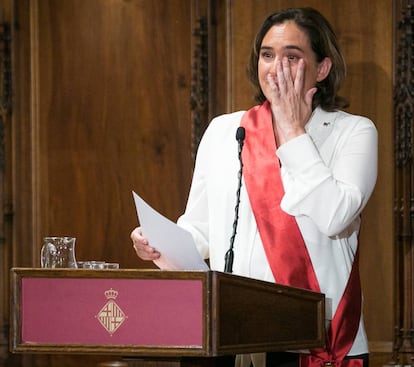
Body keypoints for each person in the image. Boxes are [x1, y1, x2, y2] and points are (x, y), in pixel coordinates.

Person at [131, 7, 377, 367]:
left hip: (316, 341)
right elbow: (200, 229)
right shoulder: (224, 130)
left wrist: (293, 131)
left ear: (322, 68)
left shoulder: (353, 132)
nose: (276, 68)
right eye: (267, 55)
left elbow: (336, 216)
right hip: (227, 334)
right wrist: (159, 244)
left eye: (292, 56)